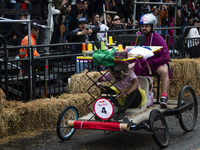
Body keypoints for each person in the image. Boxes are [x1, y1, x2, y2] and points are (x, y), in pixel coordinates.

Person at [133, 14, 172, 108]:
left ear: (152, 26)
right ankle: (138, 96)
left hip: (156, 63)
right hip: (142, 63)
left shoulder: (158, 38)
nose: (144, 28)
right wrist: (134, 63)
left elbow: (166, 56)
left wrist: (153, 62)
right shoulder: (138, 37)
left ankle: (163, 97)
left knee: (164, 71)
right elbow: (133, 51)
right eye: (142, 26)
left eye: (147, 26)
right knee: (130, 70)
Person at [18, 22, 40, 101]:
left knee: (31, 82)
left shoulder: (32, 38)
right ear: (30, 30)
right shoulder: (27, 39)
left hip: (32, 62)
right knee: (28, 83)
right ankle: (26, 100)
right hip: (28, 63)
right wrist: (22, 61)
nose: (37, 31)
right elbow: (22, 53)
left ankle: (29, 99)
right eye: (35, 29)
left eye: (38, 29)